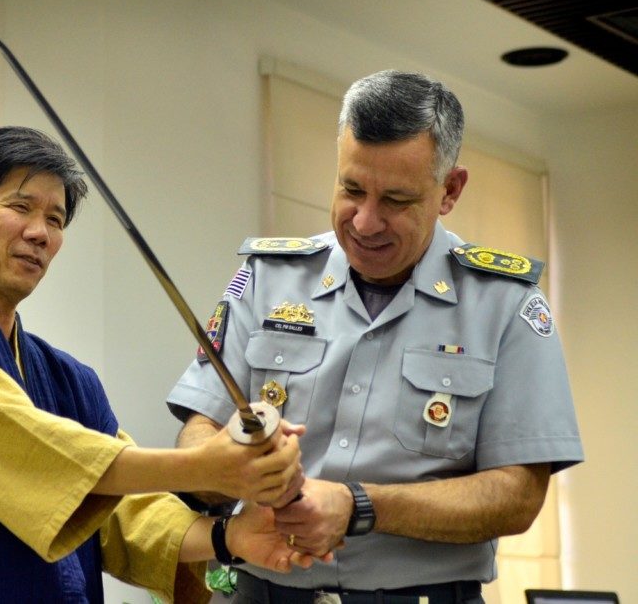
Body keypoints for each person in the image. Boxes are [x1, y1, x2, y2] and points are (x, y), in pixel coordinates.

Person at [0, 126, 312, 603]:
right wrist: (203, 467)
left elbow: (126, 512)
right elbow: (41, 458)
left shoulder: (68, 379)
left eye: (56, 218)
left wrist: (229, 537)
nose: (40, 233)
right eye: (20, 207)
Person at [167, 70, 583, 603]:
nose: (365, 222)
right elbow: (198, 431)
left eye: (396, 200)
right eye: (351, 189)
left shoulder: (505, 305)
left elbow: (517, 496)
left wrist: (360, 506)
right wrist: (230, 467)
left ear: (449, 190)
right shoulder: (267, 278)